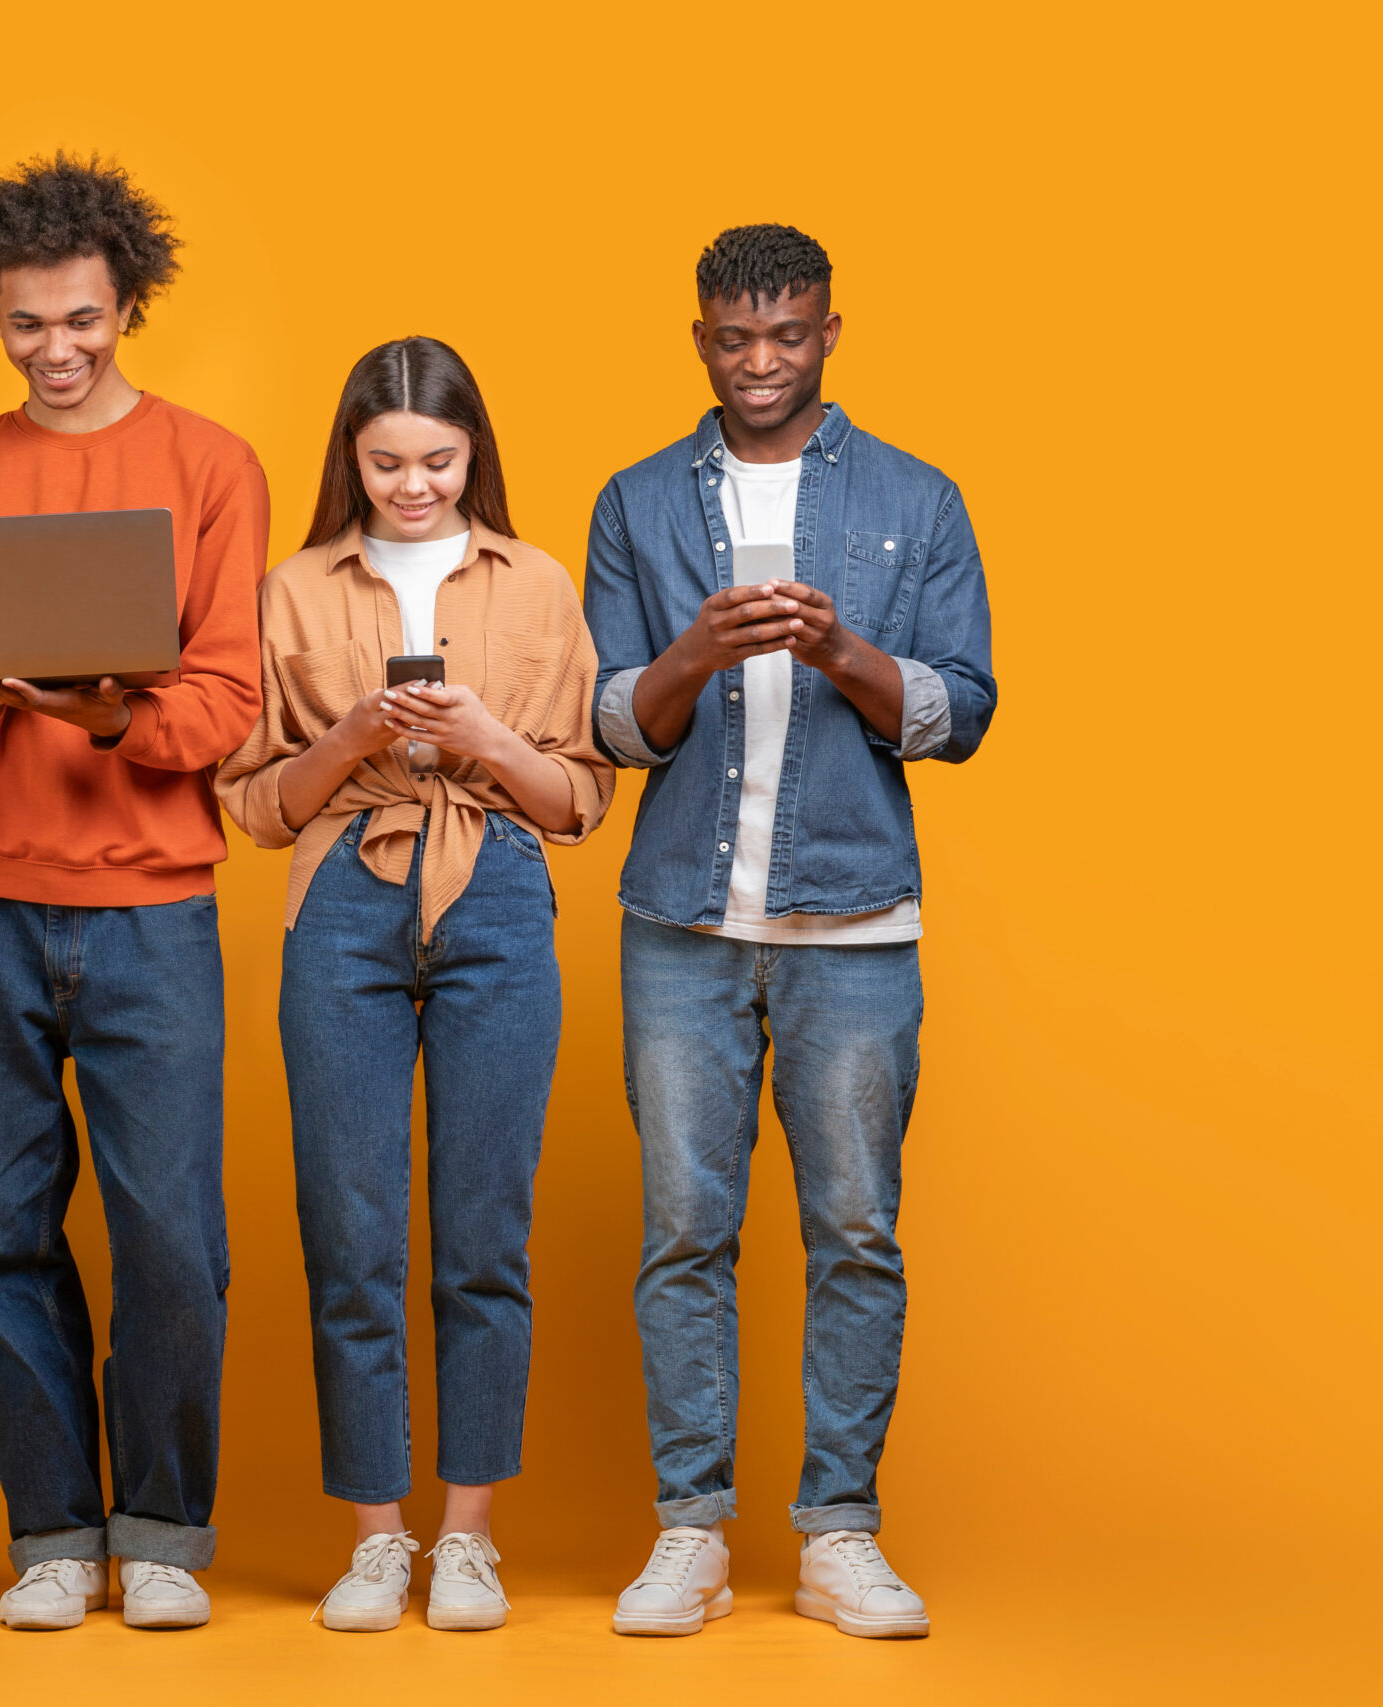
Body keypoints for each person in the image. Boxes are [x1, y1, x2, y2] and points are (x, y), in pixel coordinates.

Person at [584, 226, 996, 1640]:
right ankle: (690, 1529)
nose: (761, 364)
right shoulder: (637, 502)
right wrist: (700, 648)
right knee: (684, 1233)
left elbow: (963, 713)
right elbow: (612, 727)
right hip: (682, 927)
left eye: (789, 335)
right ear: (699, 335)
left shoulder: (915, 499)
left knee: (856, 1234)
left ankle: (837, 1534)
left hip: (858, 928)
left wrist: (841, 653)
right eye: (732, 338)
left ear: (831, 331)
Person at [0, 152, 268, 1631]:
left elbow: (223, 700)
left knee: (171, 1228)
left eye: (84, 321)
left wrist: (114, 713)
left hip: (150, 903)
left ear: (130, 308)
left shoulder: (210, 467)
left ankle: (161, 1526)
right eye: (29, 324)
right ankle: (53, 1526)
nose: (58, 349)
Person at [217, 339, 614, 1633]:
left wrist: (480, 737)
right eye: (385, 462)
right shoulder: (293, 588)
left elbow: (576, 803)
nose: (412, 486)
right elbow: (261, 810)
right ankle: (376, 1536)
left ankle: (470, 1535)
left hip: (498, 881)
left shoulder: (539, 583)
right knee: (351, 1228)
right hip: (344, 891)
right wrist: (357, 738)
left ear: (473, 454)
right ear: (350, 460)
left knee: (484, 1232)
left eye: (437, 461)